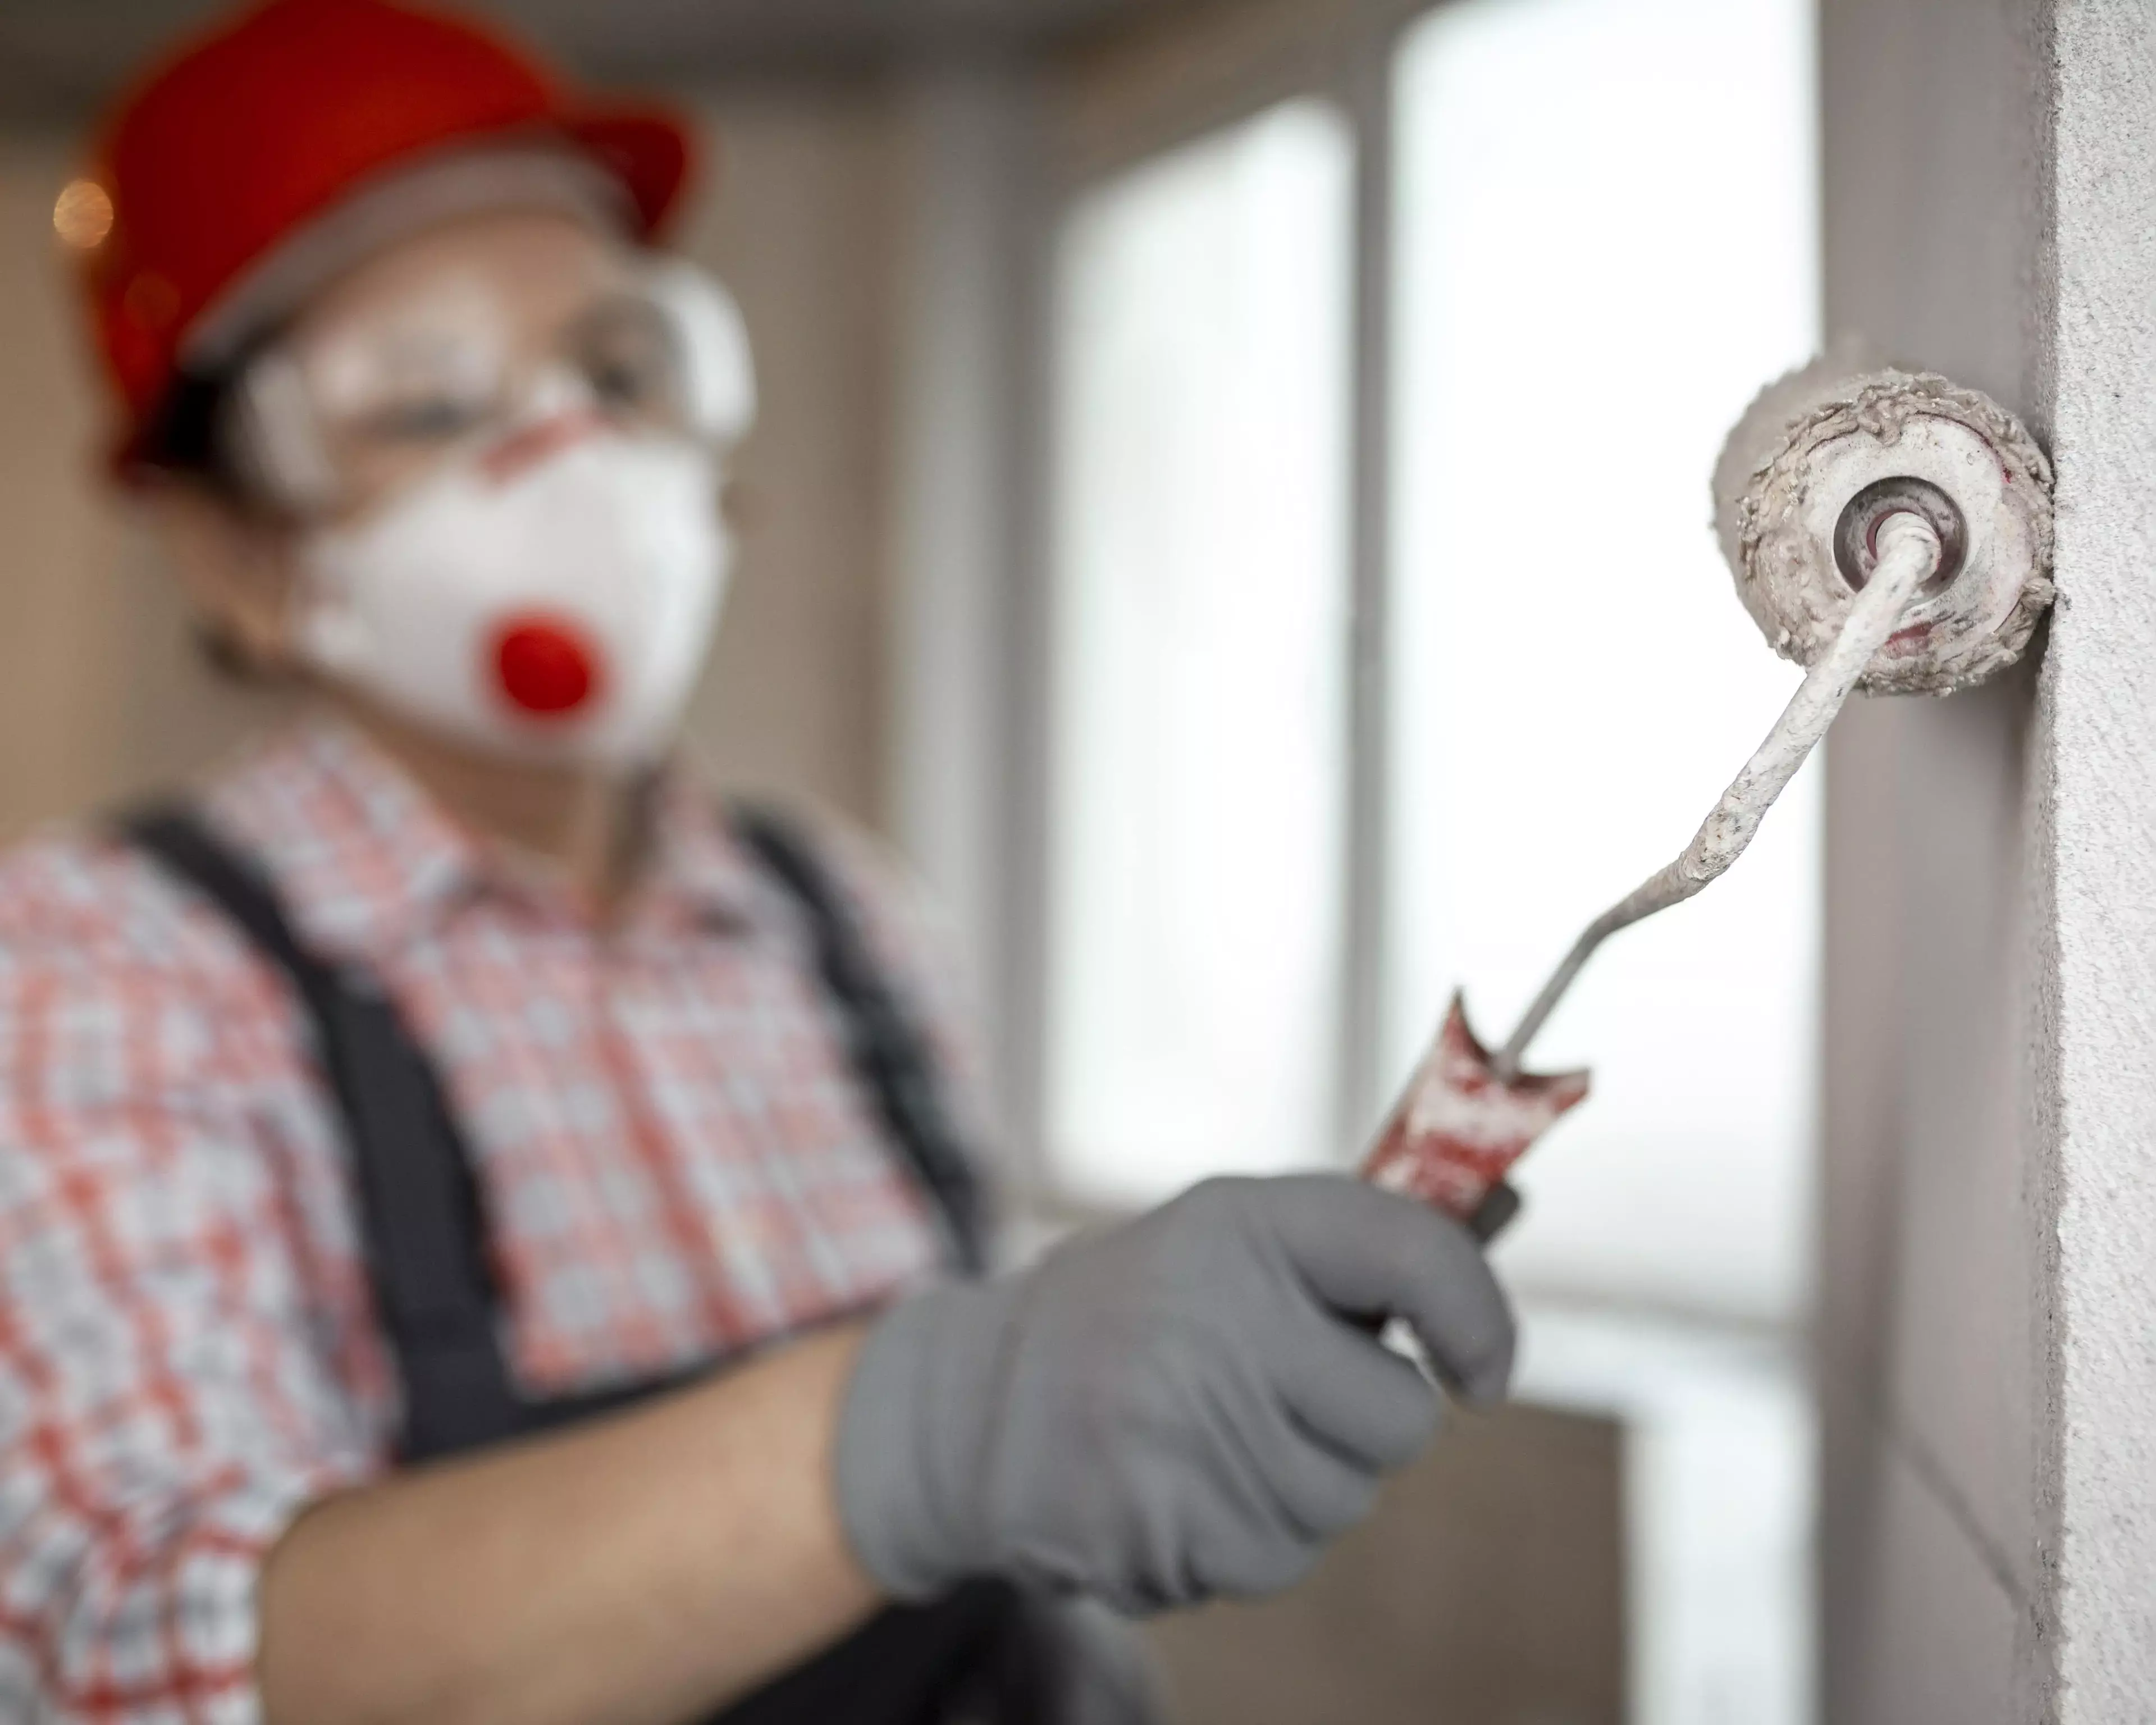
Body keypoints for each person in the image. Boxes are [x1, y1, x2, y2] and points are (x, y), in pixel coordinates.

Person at [0, 1, 1517, 1719]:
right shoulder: (100, 972)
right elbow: (135, 1655)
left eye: (620, 369)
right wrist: (932, 1429)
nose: (571, 451)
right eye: (428, 402)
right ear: (232, 554)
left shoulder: (851, 918)